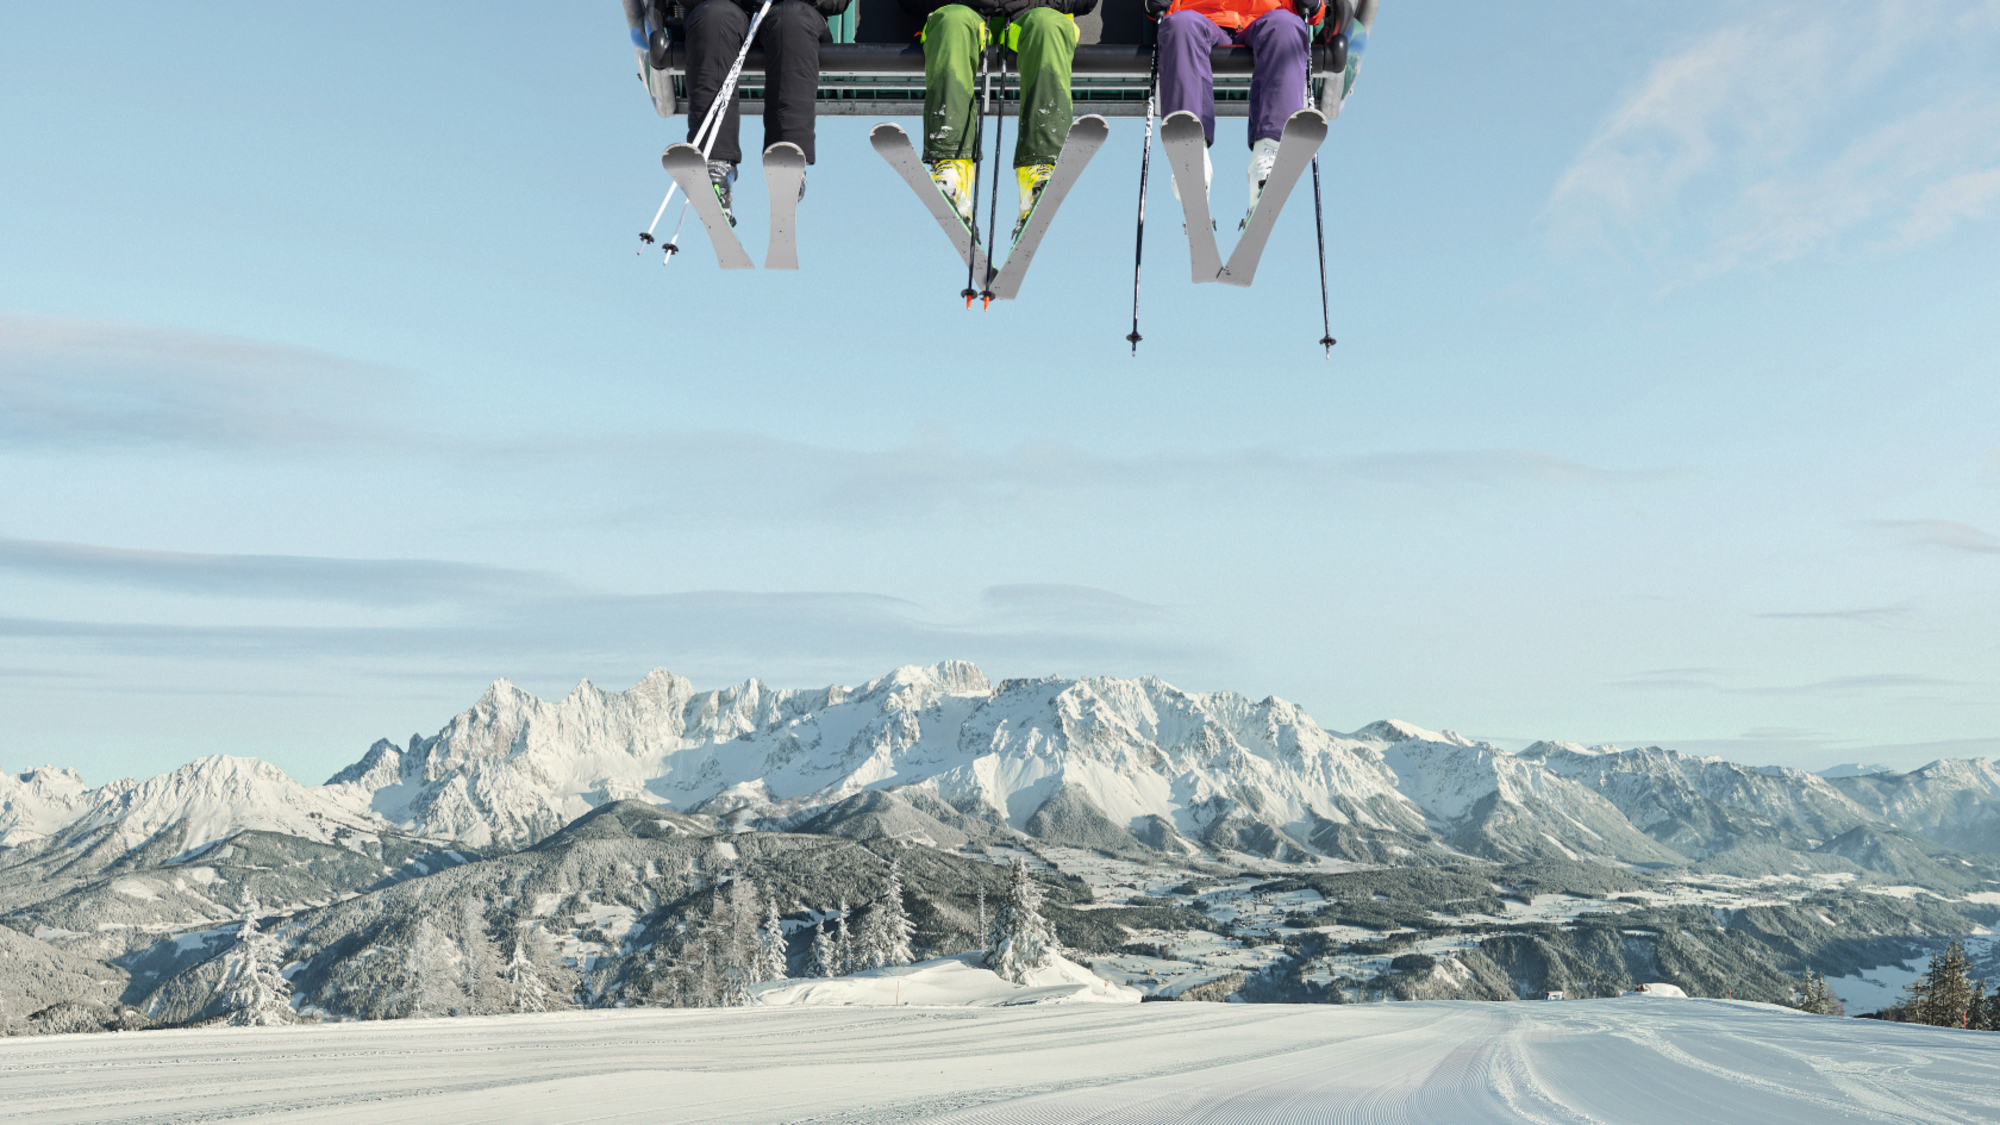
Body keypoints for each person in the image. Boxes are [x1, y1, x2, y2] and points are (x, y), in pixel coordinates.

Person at [908, 0, 1099, 241]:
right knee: (952, 22)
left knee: (1048, 26)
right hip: (964, 15)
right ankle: (952, 172)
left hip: (1034, 17)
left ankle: (1038, 175)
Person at [1146, 0, 1324, 224]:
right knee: (1179, 26)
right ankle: (1190, 157)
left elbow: (1314, 13)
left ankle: (1268, 159)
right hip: (1200, 17)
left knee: (1287, 27)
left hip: (1267, 19)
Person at [682, 0, 854, 222]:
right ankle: (715, 168)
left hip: (795, 16)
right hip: (728, 12)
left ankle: (787, 163)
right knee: (714, 18)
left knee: (791, 20)